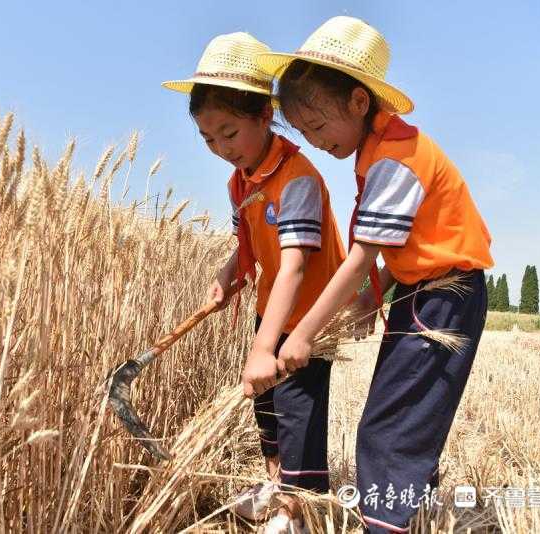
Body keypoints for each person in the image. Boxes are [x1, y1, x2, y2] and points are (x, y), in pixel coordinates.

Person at [254, 16, 494, 532]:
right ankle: (407, 517)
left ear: (359, 103)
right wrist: (375, 295)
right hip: (420, 292)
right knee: (402, 419)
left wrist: (304, 334)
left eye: (318, 126)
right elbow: (400, 247)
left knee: (389, 430)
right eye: (303, 132)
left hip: (443, 299)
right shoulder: (380, 150)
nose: (314, 141)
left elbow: (362, 256)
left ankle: (387, 523)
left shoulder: (394, 158)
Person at [162, 32, 346, 533]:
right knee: (268, 412)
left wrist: (265, 347)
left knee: (297, 413)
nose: (221, 148)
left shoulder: (298, 178)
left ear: (264, 115)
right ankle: (273, 488)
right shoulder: (240, 181)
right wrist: (230, 272)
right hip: (272, 308)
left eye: (229, 132)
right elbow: (250, 245)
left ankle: (297, 512)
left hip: (308, 318)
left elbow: (295, 265)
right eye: (208, 139)